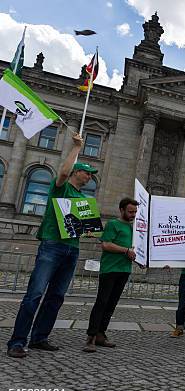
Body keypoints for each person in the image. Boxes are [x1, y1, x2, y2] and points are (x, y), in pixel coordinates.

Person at [7, 133, 96, 358]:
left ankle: (39, 338)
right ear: (78, 172)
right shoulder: (62, 188)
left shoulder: (82, 199)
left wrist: (87, 229)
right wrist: (77, 147)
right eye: (87, 172)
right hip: (52, 245)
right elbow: (63, 172)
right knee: (35, 294)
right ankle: (17, 341)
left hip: (71, 248)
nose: (90, 177)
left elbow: (80, 225)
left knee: (56, 296)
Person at [83, 198, 139, 352]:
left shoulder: (134, 229)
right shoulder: (113, 224)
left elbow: (134, 250)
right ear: (121, 210)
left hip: (124, 270)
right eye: (130, 211)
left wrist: (140, 259)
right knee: (101, 303)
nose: (133, 214)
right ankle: (91, 337)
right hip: (110, 269)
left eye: (135, 211)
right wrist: (126, 250)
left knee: (111, 304)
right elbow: (106, 244)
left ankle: (101, 334)